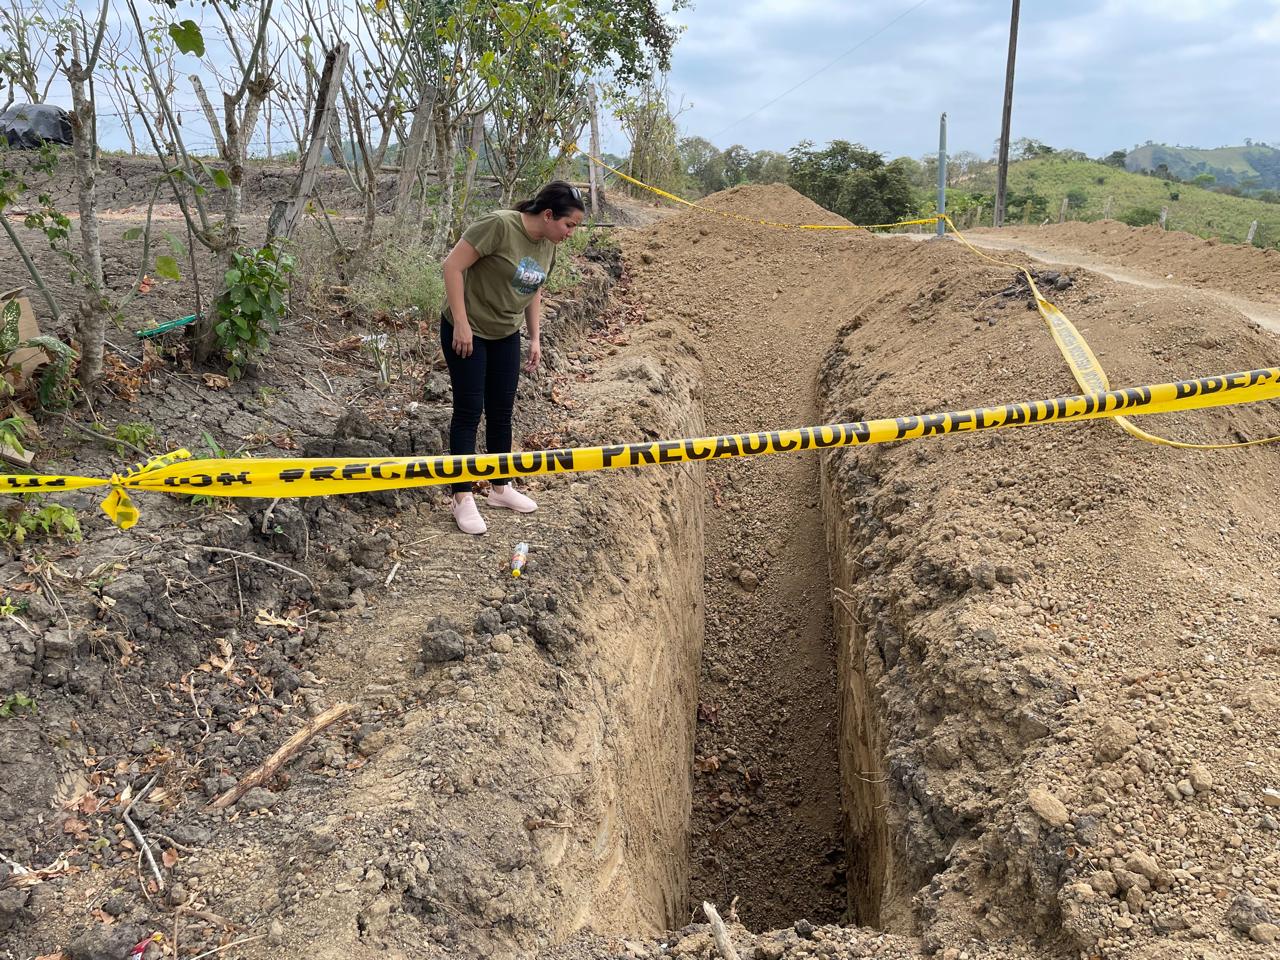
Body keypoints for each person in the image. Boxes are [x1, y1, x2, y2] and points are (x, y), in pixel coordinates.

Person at [439, 181, 586, 535]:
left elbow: (533, 288)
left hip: (505, 333)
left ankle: (500, 487)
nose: (570, 233)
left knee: (502, 411)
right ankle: (461, 495)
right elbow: (452, 267)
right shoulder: (499, 226)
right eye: (569, 225)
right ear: (548, 215)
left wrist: (534, 337)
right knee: (469, 410)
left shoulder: (547, 244)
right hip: (468, 330)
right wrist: (461, 323)